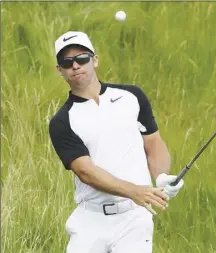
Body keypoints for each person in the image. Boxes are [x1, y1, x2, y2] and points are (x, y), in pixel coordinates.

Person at [49, 31, 184, 253]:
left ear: (95, 60)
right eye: (67, 62)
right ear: (60, 70)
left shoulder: (132, 97)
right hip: (90, 220)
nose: (75, 66)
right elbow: (86, 172)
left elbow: (153, 144)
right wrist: (136, 191)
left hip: (134, 218)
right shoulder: (62, 121)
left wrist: (161, 177)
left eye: (82, 58)